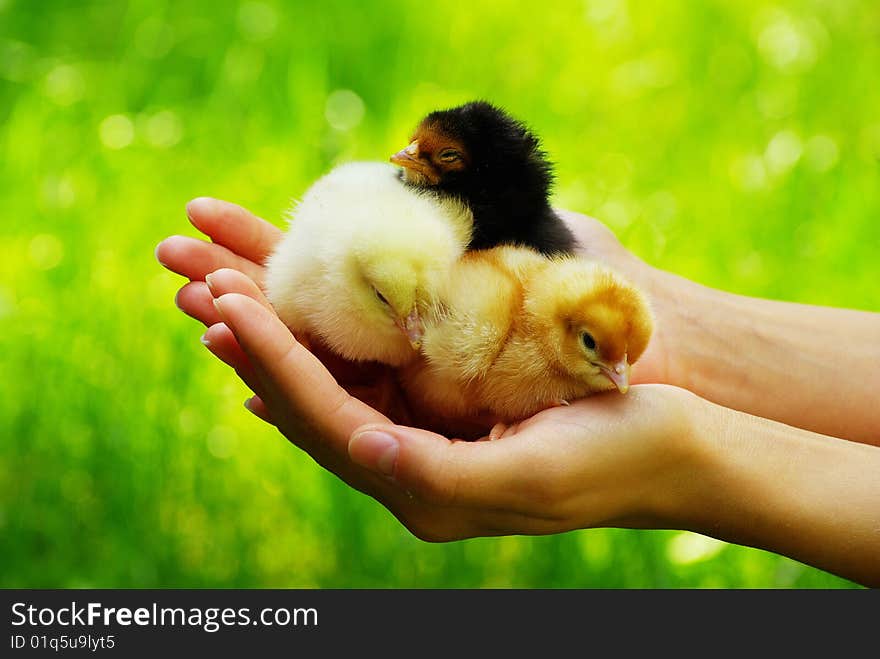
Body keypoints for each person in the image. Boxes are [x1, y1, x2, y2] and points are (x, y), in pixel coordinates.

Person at [155, 197, 880, 587]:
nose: (622, 381)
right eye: (599, 351)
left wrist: (688, 454)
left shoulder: (530, 321)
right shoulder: (507, 301)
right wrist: (688, 339)